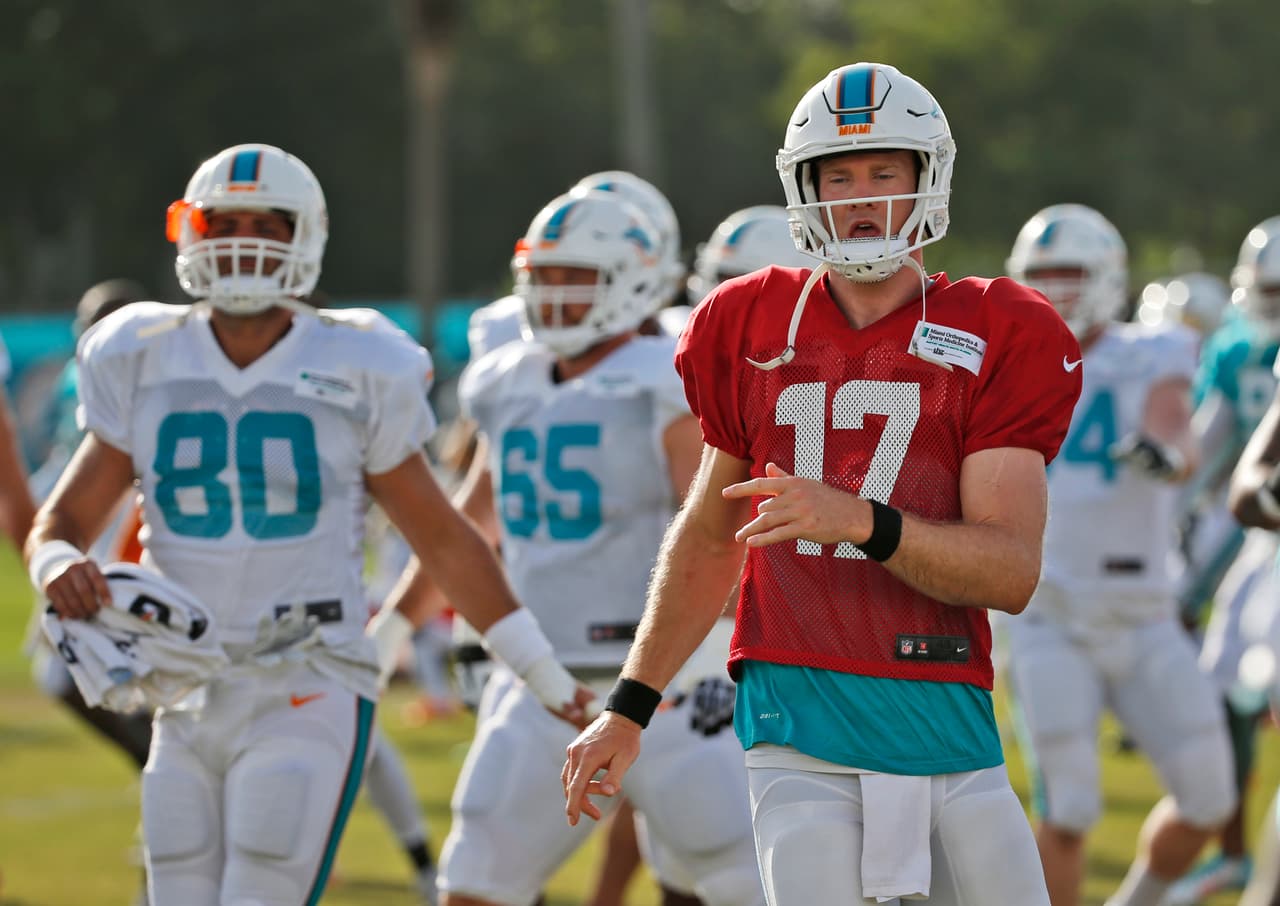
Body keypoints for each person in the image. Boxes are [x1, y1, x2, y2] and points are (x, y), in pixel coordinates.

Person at [564, 61, 1081, 906]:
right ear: (805, 191)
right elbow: (708, 536)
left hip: (944, 712)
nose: (862, 198)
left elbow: (1009, 572)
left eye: (884, 172)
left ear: (927, 180)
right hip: (796, 721)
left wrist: (865, 521)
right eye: (838, 178)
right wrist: (628, 706)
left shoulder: (998, 327)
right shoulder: (746, 322)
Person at [25, 142, 592, 906]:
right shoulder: (140, 352)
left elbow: (442, 537)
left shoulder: (358, 359)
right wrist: (55, 561)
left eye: (267, 225)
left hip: (307, 673)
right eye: (226, 224)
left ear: (307, 236)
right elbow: (63, 517)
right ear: (187, 230)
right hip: (186, 680)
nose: (244, 243)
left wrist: (542, 672)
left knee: (261, 887)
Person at [435, 188, 764, 906]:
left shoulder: (669, 376)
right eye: (545, 275)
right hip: (543, 675)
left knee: (737, 875)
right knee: (474, 876)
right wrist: (400, 627)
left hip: (673, 676)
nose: (556, 294)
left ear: (635, 279)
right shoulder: (508, 378)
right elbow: (460, 530)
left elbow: (718, 536)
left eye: (576, 277)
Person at [1002, 203, 1235, 906]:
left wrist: (1166, 455)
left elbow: (1177, 430)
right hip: (1048, 611)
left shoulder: (1152, 350)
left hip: (1143, 610)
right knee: (1068, 808)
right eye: (1044, 274)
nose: (1058, 289)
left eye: (1072, 272)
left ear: (1107, 276)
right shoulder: (1003, 359)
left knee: (1210, 798)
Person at [1165, 220, 1280, 904]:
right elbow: (1213, 447)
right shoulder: (1237, 348)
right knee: (1220, 688)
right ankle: (1236, 856)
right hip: (1255, 530)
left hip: (1252, 528)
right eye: (1268, 289)